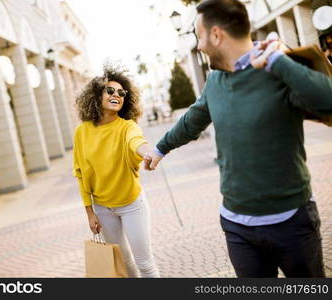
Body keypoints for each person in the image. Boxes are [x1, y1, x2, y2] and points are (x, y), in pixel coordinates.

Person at [145, 0, 332, 278]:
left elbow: (327, 100)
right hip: (237, 227)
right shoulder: (215, 81)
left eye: (199, 35)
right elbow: (192, 120)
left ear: (217, 34)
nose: (198, 45)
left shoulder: (278, 67)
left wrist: (280, 61)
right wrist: (161, 148)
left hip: (292, 221)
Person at [73, 65, 160, 278]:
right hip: (102, 208)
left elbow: (136, 142)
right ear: (96, 96)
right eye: (110, 91)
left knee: (144, 263)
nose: (117, 95)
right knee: (124, 262)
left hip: (132, 205)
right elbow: (80, 173)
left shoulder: (127, 126)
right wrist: (90, 212)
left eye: (122, 93)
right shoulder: (82, 131)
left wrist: (148, 152)